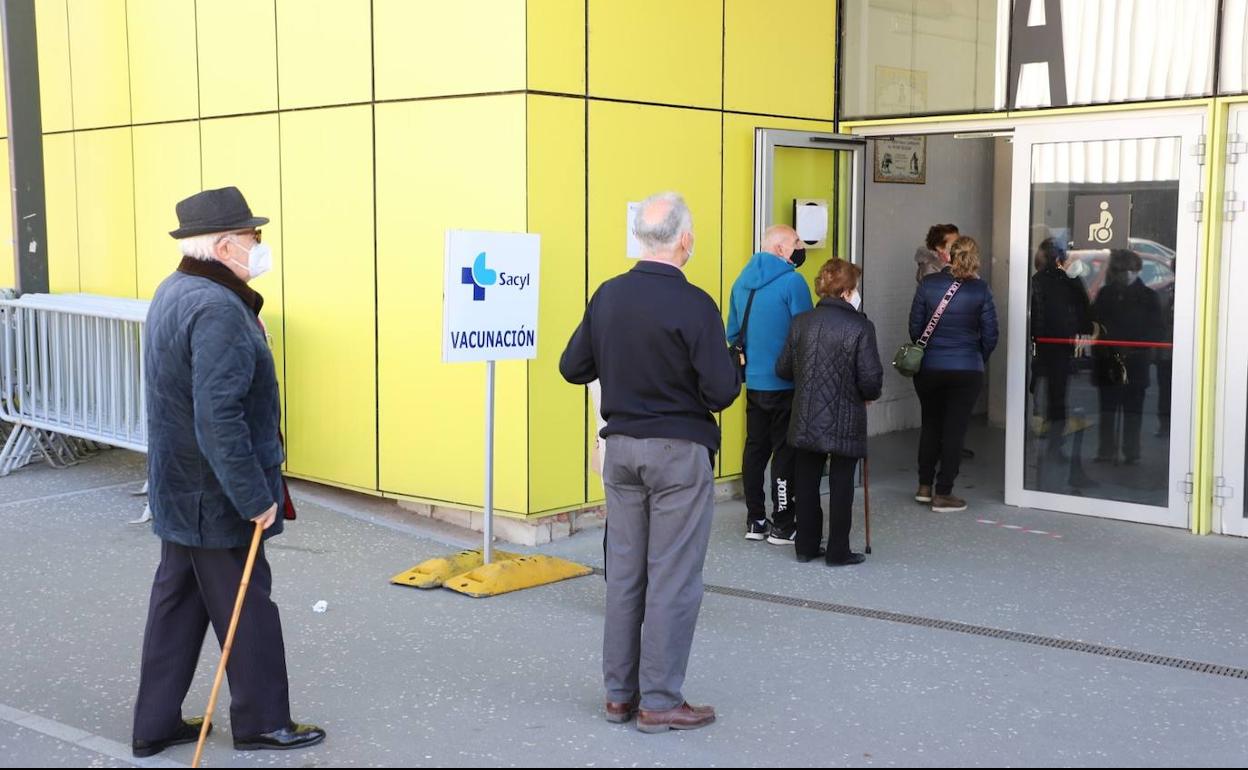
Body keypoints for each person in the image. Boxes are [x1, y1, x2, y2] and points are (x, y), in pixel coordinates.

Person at [133, 187, 325, 757]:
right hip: (213, 494)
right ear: (223, 245)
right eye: (252, 237)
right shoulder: (217, 307)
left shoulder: (176, 290)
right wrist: (253, 495)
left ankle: (155, 722)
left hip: (180, 486)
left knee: (178, 602)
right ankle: (264, 721)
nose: (259, 245)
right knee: (248, 607)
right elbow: (219, 415)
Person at [559, 191, 740, 734]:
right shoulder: (696, 304)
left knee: (625, 575)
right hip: (678, 455)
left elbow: (573, 367)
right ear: (684, 239)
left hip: (621, 452)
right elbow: (720, 391)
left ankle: (619, 696)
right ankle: (660, 700)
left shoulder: (609, 295)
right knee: (674, 577)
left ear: (642, 238)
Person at [776, 259, 882, 565]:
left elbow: (782, 369)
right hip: (846, 415)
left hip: (807, 416)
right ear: (847, 291)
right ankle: (838, 550)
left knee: (807, 482)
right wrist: (868, 395)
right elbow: (871, 379)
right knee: (841, 483)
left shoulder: (801, 322)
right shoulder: (861, 326)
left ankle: (806, 547)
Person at [725, 224, 813, 545]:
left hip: (755, 384)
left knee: (755, 449)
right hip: (786, 384)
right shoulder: (793, 282)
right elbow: (806, 333)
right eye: (796, 242)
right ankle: (783, 523)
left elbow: (732, 334)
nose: (800, 247)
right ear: (780, 249)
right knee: (784, 452)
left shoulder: (741, 282)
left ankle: (755, 520)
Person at [908, 235, 999, 513]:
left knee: (931, 425)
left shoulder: (928, 285)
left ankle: (924, 487)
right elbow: (991, 335)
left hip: (930, 367)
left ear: (948, 256)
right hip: (966, 369)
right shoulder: (981, 290)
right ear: (976, 259)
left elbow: (915, 328)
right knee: (955, 431)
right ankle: (943, 492)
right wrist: (975, 358)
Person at [1092, 249, 1161, 465]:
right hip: (1109, 359)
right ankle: (1106, 450)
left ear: (1138, 270)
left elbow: (1155, 330)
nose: (1126, 274)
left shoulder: (1149, 297)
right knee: (1107, 409)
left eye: (1131, 269)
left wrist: (1133, 347)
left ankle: (1131, 451)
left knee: (1133, 411)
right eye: (1121, 270)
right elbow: (1095, 324)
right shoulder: (1105, 295)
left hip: (1136, 360)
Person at [1029, 238, 1092, 459]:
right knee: (1057, 397)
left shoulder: (1035, 281)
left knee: (1034, 394)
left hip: (1038, 346)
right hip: (1059, 347)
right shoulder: (1069, 281)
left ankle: (1033, 444)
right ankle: (1055, 446)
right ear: (1059, 258)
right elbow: (1085, 312)